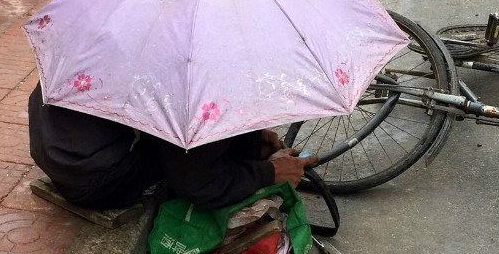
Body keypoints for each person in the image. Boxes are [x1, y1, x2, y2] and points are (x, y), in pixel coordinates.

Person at [28, 85, 316, 211]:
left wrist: (249, 137)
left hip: (56, 146)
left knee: (211, 131)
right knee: (197, 148)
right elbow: (200, 185)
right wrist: (269, 173)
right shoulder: (194, 79)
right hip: (95, 180)